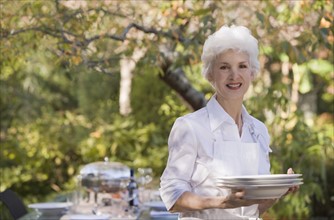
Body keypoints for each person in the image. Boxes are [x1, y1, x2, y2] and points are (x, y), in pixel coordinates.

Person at [159, 25, 299, 219]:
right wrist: (222, 202)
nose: (234, 75)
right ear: (210, 74)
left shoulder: (258, 130)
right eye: (224, 67)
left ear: (252, 73)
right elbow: (172, 197)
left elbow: (252, 210)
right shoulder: (189, 127)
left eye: (242, 66)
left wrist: (277, 192)